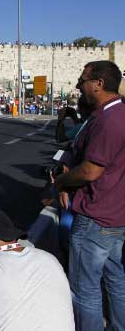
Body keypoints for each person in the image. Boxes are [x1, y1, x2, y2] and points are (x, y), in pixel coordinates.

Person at [54, 60, 125, 331]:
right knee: (116, 280)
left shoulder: (110, 120)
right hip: (116, 216)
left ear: (99, 83)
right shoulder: (114, 114)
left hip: (96, 216)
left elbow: (90, 172)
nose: (78, 85)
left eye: (83, 80)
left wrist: (61, 181)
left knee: (85, 289)